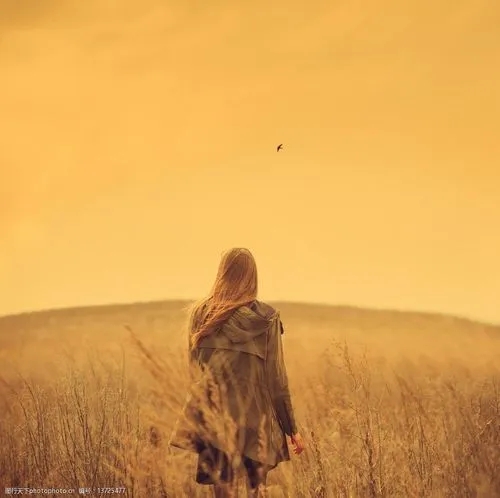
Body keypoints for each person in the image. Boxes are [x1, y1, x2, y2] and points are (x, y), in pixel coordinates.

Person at [169, 247, 305, 497]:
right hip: (256, 425)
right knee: (257, 492)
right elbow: (276, 379)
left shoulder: (201, 314)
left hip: (216, 421)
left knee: (222, 493)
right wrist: (291, 429)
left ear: (222, 274)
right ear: (253, 277)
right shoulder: (267, 319)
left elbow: (194, 372)